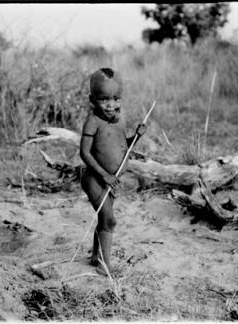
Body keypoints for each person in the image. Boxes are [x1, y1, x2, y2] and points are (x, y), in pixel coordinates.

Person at [80, 67, 146, 276]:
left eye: (116, 99)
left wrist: (136, 137)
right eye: (104, 99)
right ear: (92, 99)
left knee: (103, 218)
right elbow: (85, 153)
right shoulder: (93, 120)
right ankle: (104, 265)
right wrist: (104, 175)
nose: (111, 105)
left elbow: (122, 147)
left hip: (112, 180)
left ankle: (95, 257)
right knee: (109, 220)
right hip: (95, 178)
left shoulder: (120, 118)